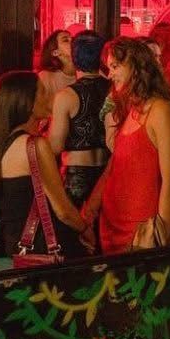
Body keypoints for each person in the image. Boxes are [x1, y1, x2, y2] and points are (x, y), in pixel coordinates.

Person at [0, 71, 91, 259]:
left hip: (15, 248)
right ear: (27, 102)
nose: (49, 96)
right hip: (42, 250)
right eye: (42, 92)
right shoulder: (35, 146)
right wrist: (84, 228)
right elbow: (62, 210)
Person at [84, 37, 170, 252]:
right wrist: (90, 211)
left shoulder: (161, 110)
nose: (110, 75)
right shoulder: (133, 107)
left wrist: (161, 234)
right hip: (112, 223)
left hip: (138, 229)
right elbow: (115, 165)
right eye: (109, 68)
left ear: (136, 64)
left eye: (115, 66)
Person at [48, 30, 109, 207]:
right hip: (107, 169)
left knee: (71, 230)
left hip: (76, 173)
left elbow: (55, 146)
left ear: (75, 58)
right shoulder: (115, 90)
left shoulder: (66, 96)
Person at [37, 29, 76, 104]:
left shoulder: (86, 73)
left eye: (73, 38)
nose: (73, 41)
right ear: (55, 52)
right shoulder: (45, 78)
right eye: (65, 40)